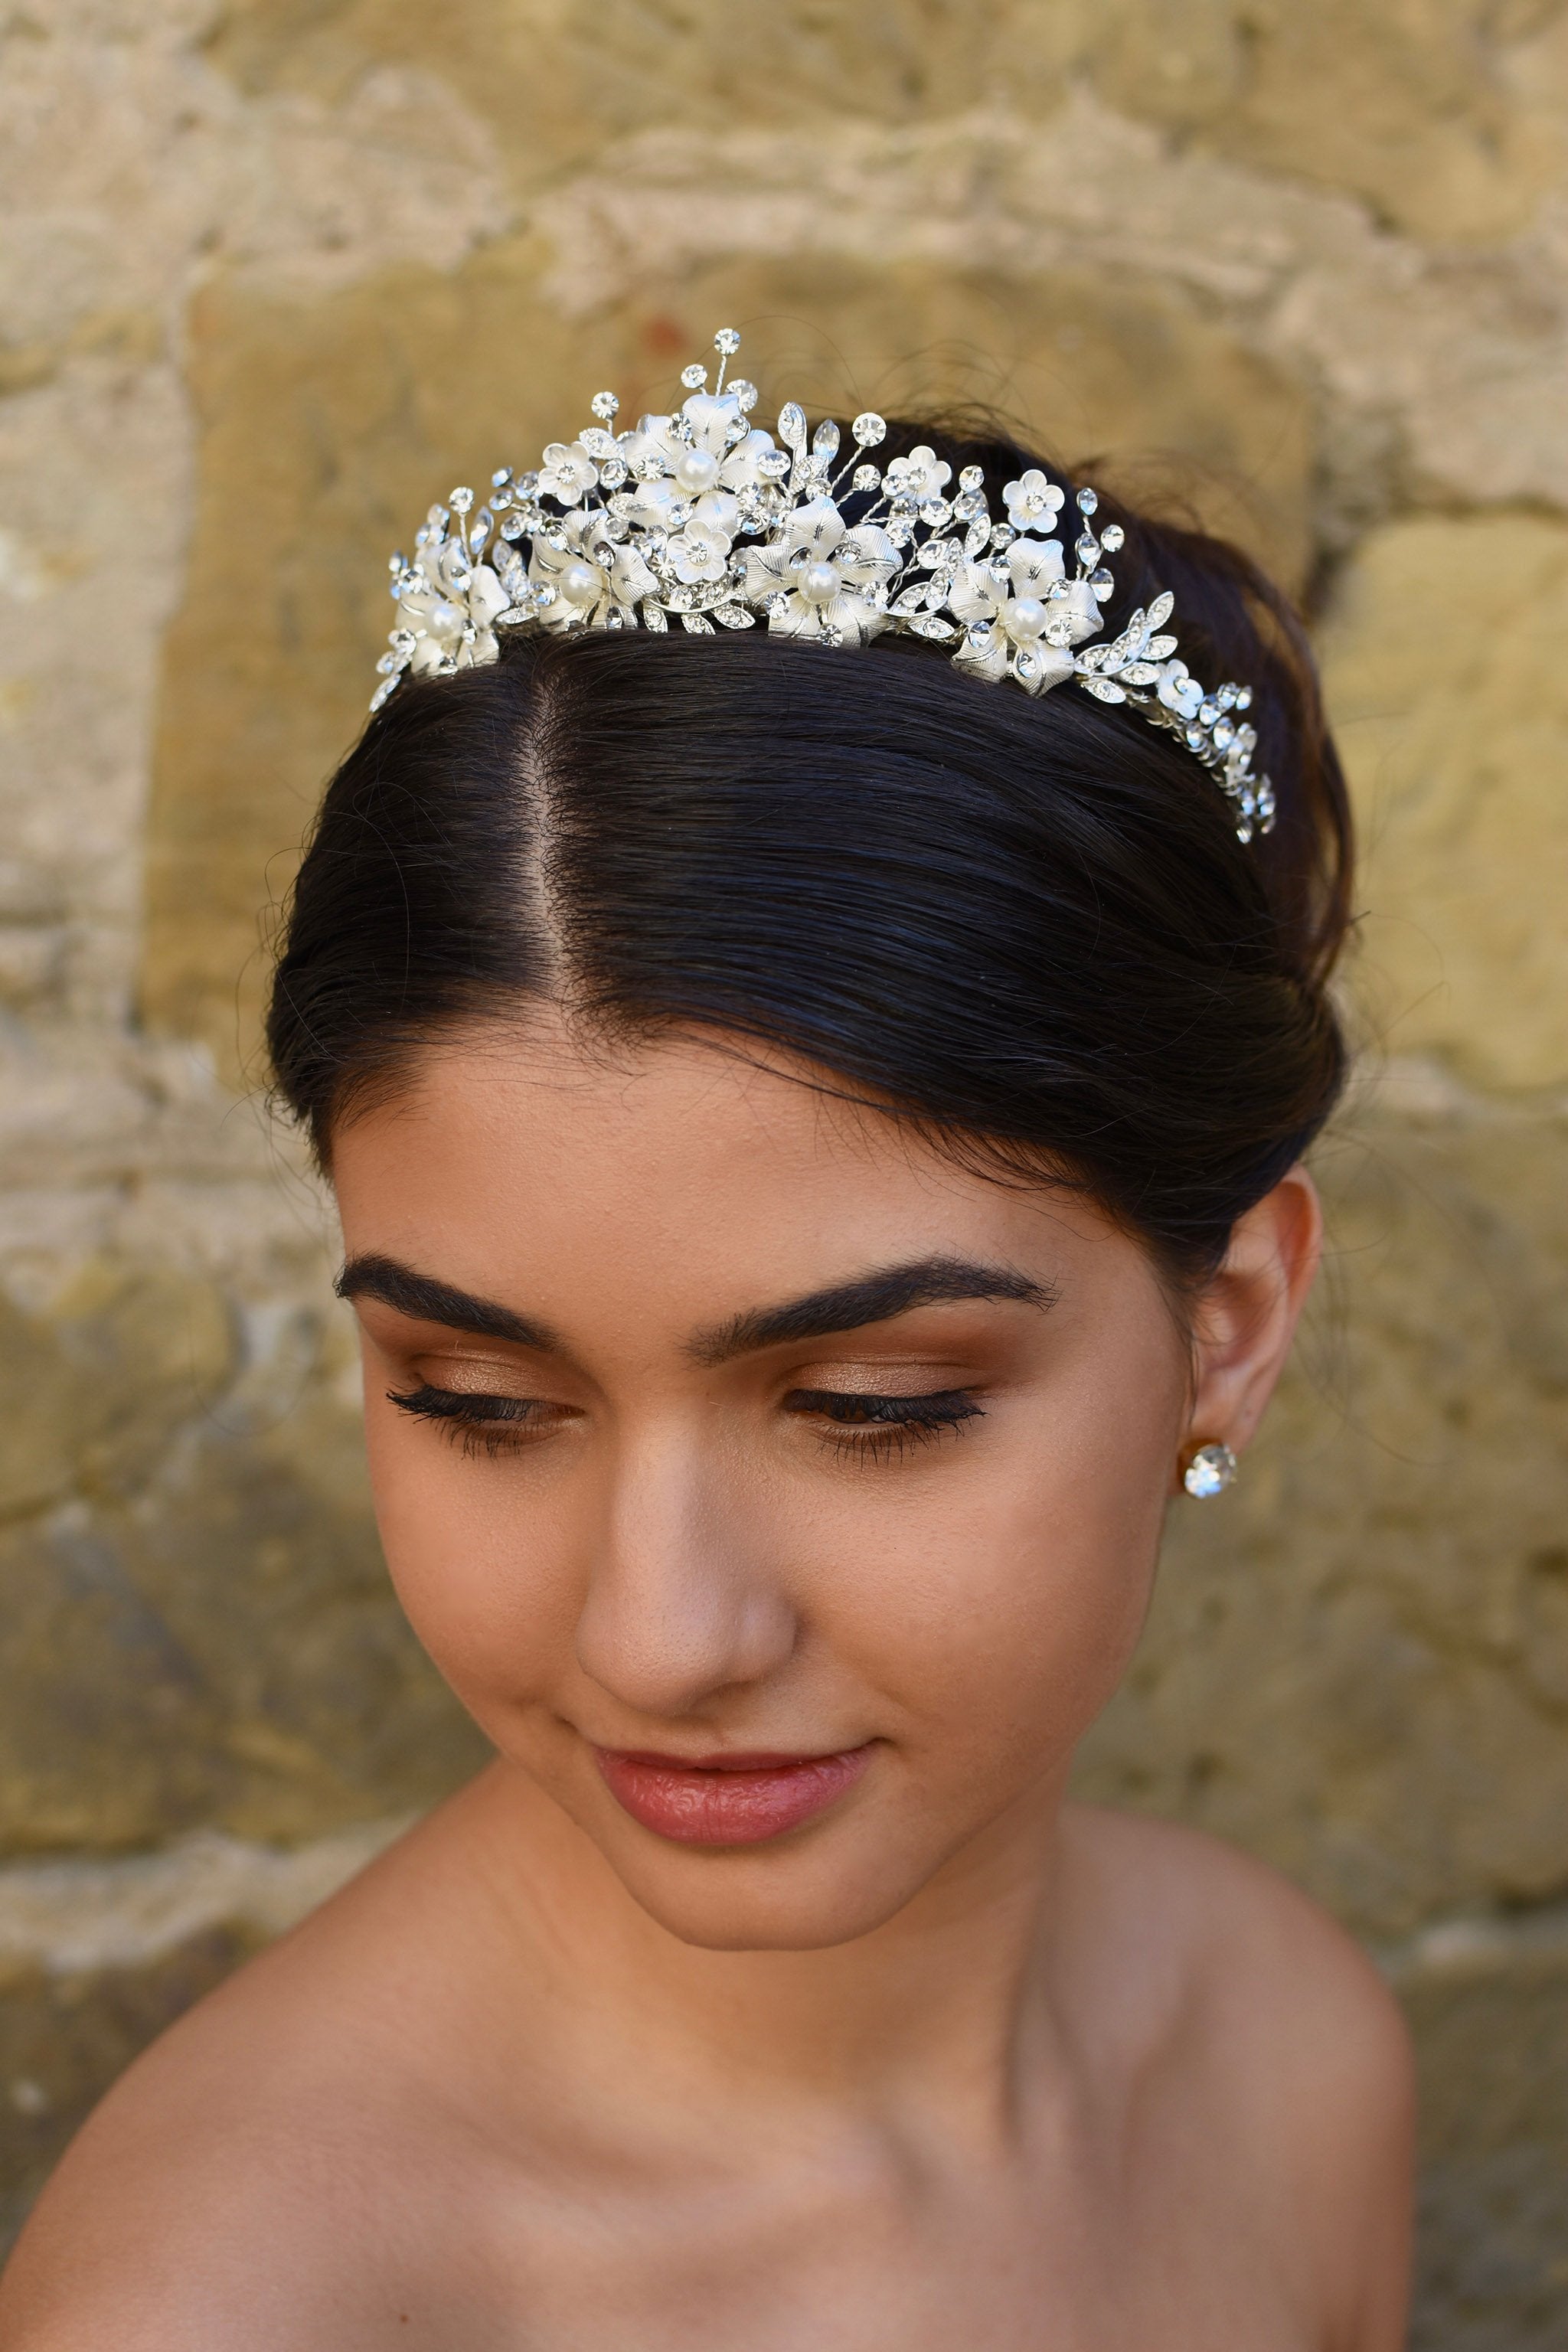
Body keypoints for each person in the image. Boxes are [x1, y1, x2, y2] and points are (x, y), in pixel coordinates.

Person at [0, 332, 1413, 2350]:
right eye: (477, 1401)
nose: (659, 1637)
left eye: (871, 1406)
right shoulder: (238, 2304)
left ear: (1234, 1324)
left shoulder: (1282, 2057)